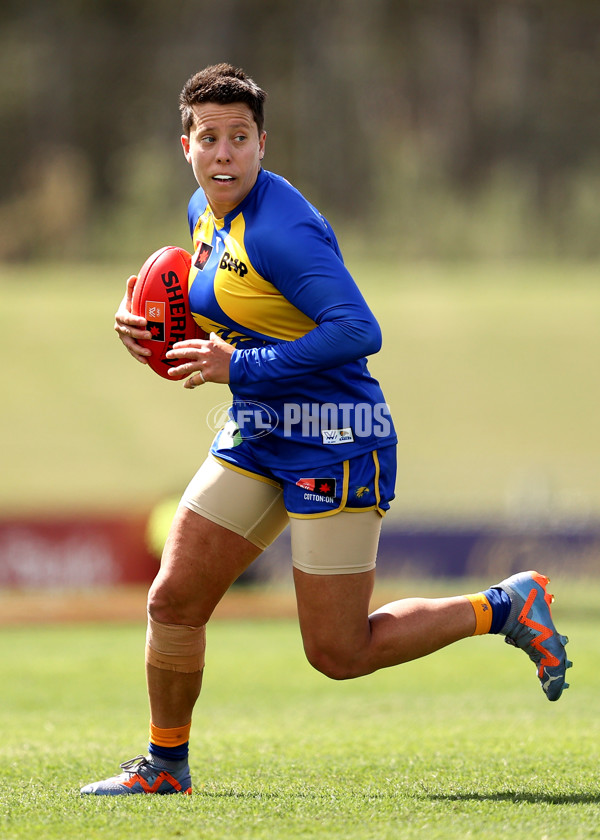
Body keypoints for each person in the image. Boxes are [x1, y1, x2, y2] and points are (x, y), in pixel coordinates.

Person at [81, 64, 571, 796]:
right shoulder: (201, 213)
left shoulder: (284, 229)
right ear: (185, 144)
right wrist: (153, 328)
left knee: (339, 652)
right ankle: (164, 768)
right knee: (173, 600)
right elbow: (236, 308)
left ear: (262, 145)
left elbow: (357, 331)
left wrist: (235, 367)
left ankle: (503, 607)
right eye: (209, 138)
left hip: (338, 436)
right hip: (260, 431)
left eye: (239, 139)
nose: (224, 154)